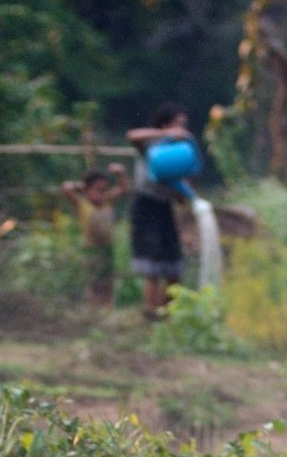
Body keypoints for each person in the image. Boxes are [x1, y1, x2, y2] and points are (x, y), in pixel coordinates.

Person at [126, 101, 194, 316]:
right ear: (164, 124)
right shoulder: (149, 144)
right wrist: (163, 134)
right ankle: (153, 313)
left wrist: (186, 195)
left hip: (164, 208)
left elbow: (179, 191)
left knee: (173, 265)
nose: (182, 129)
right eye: (178, 124)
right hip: (146, 206)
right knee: (152, 267)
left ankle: (168, 315)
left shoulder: (178, 152)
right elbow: (132, 136)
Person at [61, 165, 127, 306]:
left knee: (108, 282)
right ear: (87, 190)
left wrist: (121, 174)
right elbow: (66, 188)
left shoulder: (108, 201)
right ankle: (93, 310)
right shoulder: (82, 204)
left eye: (104, 190)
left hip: (107, 249)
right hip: (90, 250)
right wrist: (80, 186)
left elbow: (123, 188)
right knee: (93, 283)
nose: (101, 194)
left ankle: (107, 309)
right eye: (98, 190)